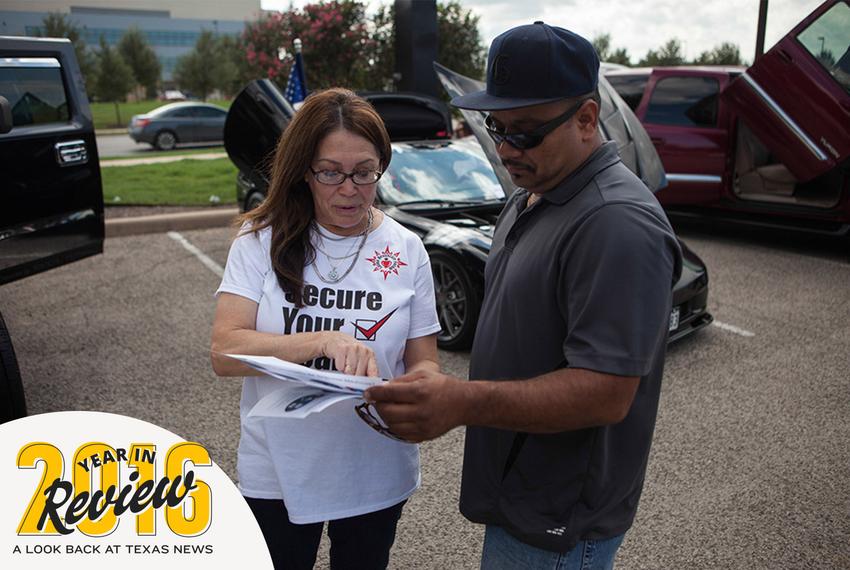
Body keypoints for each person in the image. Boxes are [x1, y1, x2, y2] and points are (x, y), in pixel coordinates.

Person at [365, 22, 683, 569]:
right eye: (496, 126)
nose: (506, 148)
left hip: (560, 516)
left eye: (527, 132)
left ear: (587, 118)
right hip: (521, 489)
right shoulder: (532, 193)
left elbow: (606, 393)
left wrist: (460, 401)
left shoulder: (615, 224)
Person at [210, 88, 441, 569]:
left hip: (373, 467)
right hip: (277, 469)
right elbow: (224, 352)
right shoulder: (259, 242)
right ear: (304, 170)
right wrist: (322, 341)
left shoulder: (406, 249)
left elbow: (424, 362)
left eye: (364, 172)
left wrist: (418, 398)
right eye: (330, 173)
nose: (349, 188)